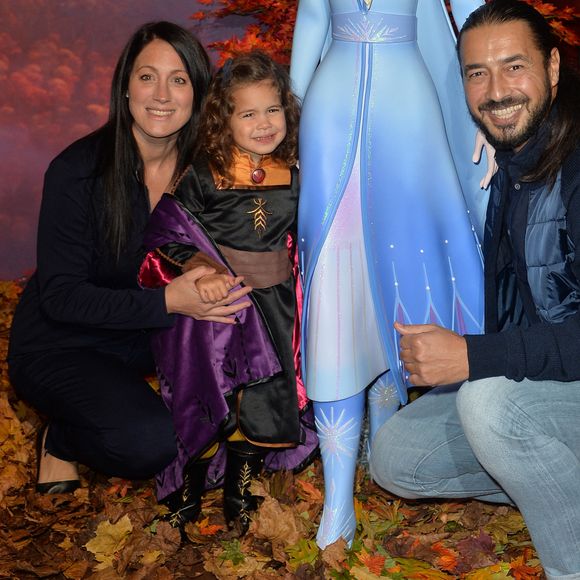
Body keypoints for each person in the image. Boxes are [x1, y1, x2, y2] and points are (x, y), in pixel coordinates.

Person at [370, 1, 580, 577]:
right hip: (557, 389)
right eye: (476, 73)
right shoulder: (516, 162)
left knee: (489, 404)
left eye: (514, 67)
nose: (495, 90)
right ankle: (555, 483)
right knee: (396, 455)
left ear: (554, 69)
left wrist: (472, 357)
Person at [7, 22, 253, 497]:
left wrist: (205, 269)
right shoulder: (77, 171)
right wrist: (167, 303)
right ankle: (63, 438)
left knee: (237, 323)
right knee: (148, 445)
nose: (162, 94)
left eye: (179, 79)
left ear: (197, 93)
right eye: (147, 77)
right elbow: (61, 297)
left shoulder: (203, 172)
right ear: (124, 88)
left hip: (141, 335)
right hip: (62, 342)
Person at [289, 0, 488, 549]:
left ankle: (387, 434)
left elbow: (479, 15)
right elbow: (312, 19)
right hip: (328, 110)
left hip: (410, 104)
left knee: (403, 270)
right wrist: (291, 109)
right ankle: (337, 499)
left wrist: (483, 111)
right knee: (334, 275)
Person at [139, 51, 318, 533]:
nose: (264, 124)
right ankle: (189, 487)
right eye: (248, 113)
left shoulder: (299, 174)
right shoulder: (204, 173)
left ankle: (241, 490)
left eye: (273, 110)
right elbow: (167, 233)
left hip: (276, 307)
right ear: (224, 119)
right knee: (211, 397)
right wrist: (200, 266)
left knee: (260, 402)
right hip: (218, 310)